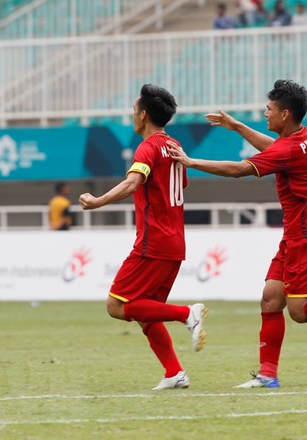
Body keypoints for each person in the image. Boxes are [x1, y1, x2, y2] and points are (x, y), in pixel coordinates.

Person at [168, 79, 307, 388]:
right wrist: (237, 127)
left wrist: (190, 162)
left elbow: (238, 170)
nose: (266, 113)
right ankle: (267, 375)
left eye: (269, 109)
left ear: (285, 114)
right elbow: (274, 149)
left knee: (301, 312)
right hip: (296, 233)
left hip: (305, 236)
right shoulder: (301, 136)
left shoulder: (289, 148)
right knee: (271, 299)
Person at [78, 84, 207, 391]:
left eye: (134, 110)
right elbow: (181, 184)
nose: (132, 116)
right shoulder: (174, 145)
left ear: (143, 114)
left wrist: (98, 201)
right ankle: (174, 373)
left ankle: (187, 314)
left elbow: (133, 183)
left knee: (117, 305)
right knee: (146, 312)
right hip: (175, 242)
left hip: (154, 241)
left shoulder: (147, 148)